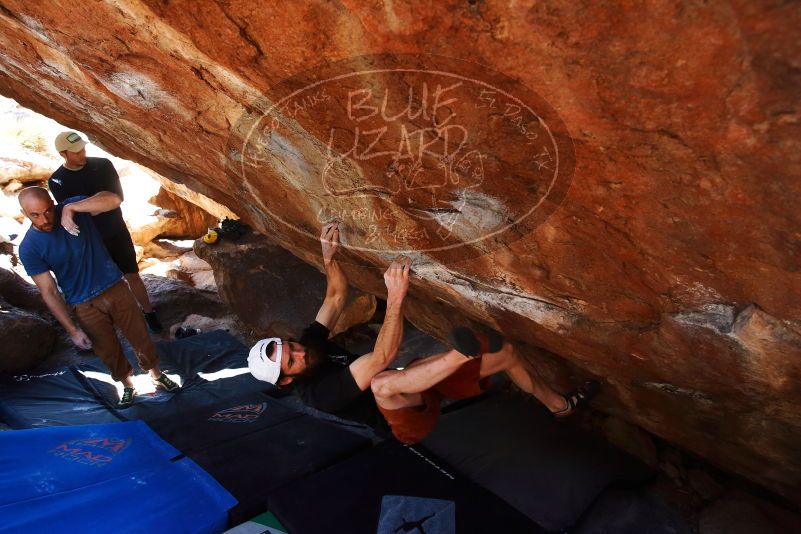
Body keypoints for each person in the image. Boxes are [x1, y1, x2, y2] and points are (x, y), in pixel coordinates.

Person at [248, 222, 599, 443]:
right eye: (290, 362)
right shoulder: (318, 394)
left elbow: (336, 297)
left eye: (290, 347)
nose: (298, 353)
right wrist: (397, 297)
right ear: (285, 381)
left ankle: (560, 406)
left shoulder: (308, 347)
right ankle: (461, 353)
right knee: (382, 381)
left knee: (505, 352)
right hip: (402, 422)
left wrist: (329, 257)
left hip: (415, 385)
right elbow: (382, 357)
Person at [17, 187, 179, 407]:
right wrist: (72, 330)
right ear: (24, 213)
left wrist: (72, 208)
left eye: (47, 211)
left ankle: (156, 375)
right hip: (83, 303)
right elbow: (49, 291)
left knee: (139, 335)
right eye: (35, 215)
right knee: (107, 349)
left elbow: (112, 199)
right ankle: (128, 386)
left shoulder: (73, 209)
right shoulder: (29, 247)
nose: (44, 219)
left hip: (113, 286)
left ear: (53, 203)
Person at [48, 131, 162, 333]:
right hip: (91, 239)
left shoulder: (102, 165)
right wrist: (92, 204)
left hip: (116, 231)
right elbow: (91, 208)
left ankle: (149, 312)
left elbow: (114, 199)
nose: (82, 153)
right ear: (63, 154)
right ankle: (121, 321)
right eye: (76, 152)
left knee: (132, 275)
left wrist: (75, 206)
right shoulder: (57, 180)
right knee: (107, 283)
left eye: (83, 149)